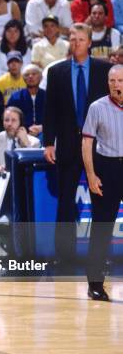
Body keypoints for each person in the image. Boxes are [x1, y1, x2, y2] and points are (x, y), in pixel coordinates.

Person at [43, 23, 112, 264]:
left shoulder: (106, 70)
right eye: (72, 39)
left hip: (99, 146)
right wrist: (48, 143)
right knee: (65, 201)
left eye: (80, 39)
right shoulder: (56, 71)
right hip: (68, 145)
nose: (75, 43)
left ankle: (100, 255)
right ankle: (63, 256)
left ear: (89, 42)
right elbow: (49, 109)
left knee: (101, 202)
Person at [82, 64, 122, 301]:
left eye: (121, 81)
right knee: (102, 228)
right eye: (112, 81)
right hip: (107, 169)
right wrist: (91, 175)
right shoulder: (97, 107)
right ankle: (95, 283)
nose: (116, 85)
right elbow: (87, 143)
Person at [0, 106, 40, 203]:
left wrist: (26, 144)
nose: (9, 124)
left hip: (24, 189)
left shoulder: (34, 142)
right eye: (6, 120)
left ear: (21, 123)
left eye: (14, 120)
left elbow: (35, 171)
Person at [8, 64, 46, 138]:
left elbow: (55, 119)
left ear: (41, 77)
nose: (30, 77)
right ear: (23, 78)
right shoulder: (15, 97)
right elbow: (10, 120)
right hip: (21, 134)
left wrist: (42, 128)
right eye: (27, 75)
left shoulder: (48, 96)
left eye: (34, 74)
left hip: (45, 133)